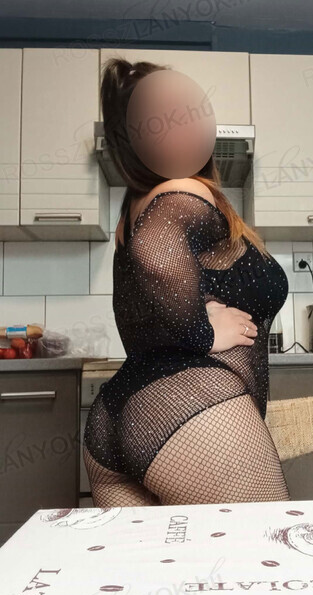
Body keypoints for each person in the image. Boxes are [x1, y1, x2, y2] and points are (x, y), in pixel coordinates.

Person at [82, 57, 291, 507]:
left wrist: (197, 314)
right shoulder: (181, 191)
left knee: (153, 557)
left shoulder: (133, 210)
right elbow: (154, 254)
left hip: (118, 420)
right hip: (191, 412)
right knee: (257, 547)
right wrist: (203, 332)